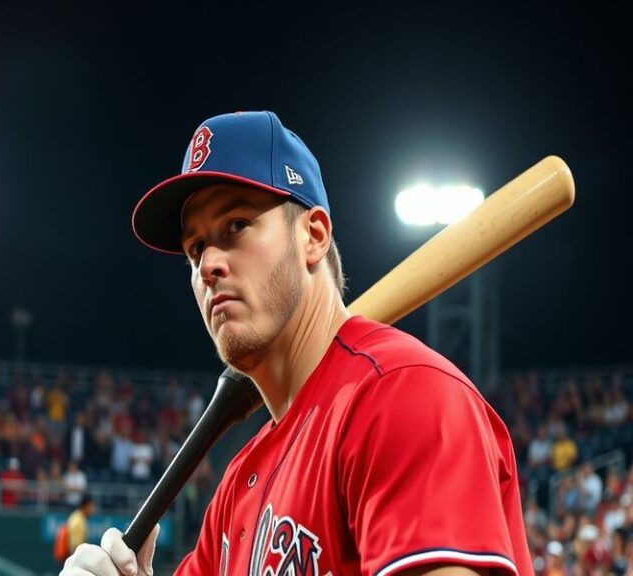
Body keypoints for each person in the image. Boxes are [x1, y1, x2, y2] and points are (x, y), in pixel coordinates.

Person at [60, 110, 531, 575]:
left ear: (314, 235)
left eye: (236, 226)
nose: (208, 266)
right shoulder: (236, 488)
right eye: (196, 248)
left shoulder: (401, 396)